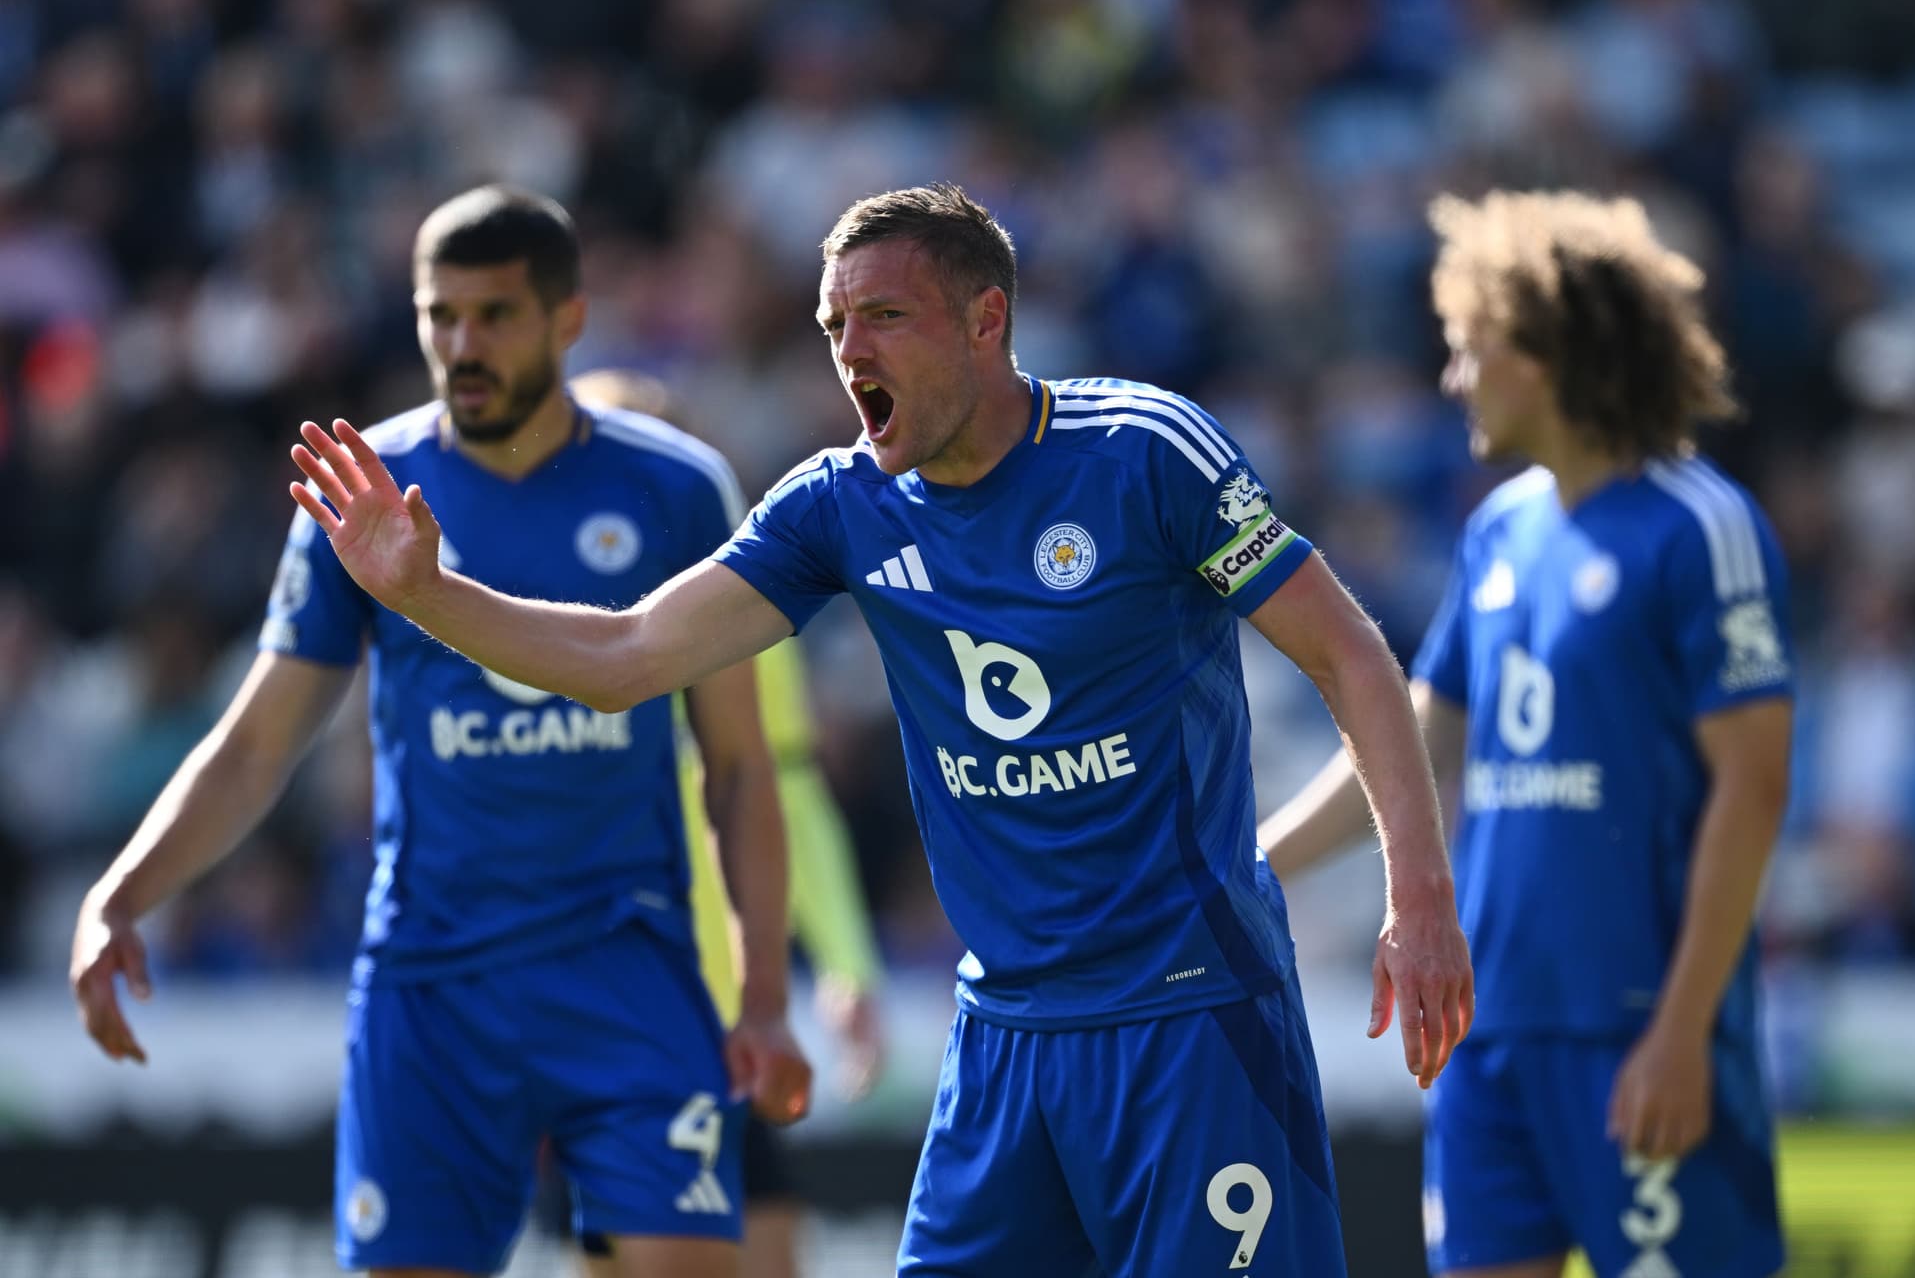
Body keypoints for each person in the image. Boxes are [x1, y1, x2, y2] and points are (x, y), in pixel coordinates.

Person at [285, 182, 1474, 1277]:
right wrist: (426, 595)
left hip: (1192, 1015)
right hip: (1004, 1035)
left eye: (885, 316)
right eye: (834, 324)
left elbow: (1351, 654)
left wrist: (1418, 899)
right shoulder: (837, 505)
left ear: (986, 321)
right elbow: (626, 656)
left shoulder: (1142, 453)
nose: (850, 351)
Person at [68, 185, 811, 1278]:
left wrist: (763, 999)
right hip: (433, 981)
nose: (462, 345)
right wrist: (119, 892)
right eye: (439, 315)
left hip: (626, 965)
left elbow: (741, 770)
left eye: (495, 315)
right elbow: (257, 744)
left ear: (566, 319)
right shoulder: (362, 496)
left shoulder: (675, 489)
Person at [1261, 190, 1792, 1278]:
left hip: (1638, 1024)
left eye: (1471, 348)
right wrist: (1250, 864)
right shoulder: (1499, 530)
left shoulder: (1701, 527)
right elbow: (1419, 736)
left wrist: (1684, 1027)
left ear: (1545, 351)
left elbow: (1755, 788)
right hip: (1492, 1030)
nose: (1454, 379)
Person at [569, 367, 888, 1278]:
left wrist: (845, 965)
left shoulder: (735, 620)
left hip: (727, 1016)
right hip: (606, 1016)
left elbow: (787, 793)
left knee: (765, 1254)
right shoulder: (524, 625)